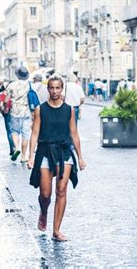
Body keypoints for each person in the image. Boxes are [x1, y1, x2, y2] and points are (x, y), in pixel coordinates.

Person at [27, 74, 86, 242]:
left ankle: (56, 230)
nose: (54, 91)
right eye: (51, 88)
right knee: (45, 194)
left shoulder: (69, 110)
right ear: (48, 89)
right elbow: (35, 133)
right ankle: (43, 212)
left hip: (64, 152)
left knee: (61, 191)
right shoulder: (40, 109)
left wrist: (80, 157)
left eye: (57, 88)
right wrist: (30, 156)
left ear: (62, 89)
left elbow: (74, 134)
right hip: (45, 151)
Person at [6, 65, 33, 163]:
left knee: (14, 131)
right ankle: (23, 156)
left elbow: (6, 99)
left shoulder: (11, 85)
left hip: (14, 112)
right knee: (26, 135)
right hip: (26, 112)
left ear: (17, 74)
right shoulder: (29, 85)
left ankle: (17, 147)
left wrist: (5, 107)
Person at [0, 83, 15, 156]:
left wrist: (2, 112)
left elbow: (1, 105)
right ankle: (16, 146)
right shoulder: (15, 92)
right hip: (15, 113)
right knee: (15, 131)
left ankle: (12, 148)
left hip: (7, 113)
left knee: (9, 131)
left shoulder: (4, 93)